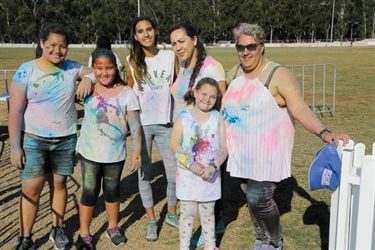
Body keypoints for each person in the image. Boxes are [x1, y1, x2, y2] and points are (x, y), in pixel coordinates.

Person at [221, 23, 351, 250]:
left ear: (261, 46)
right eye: (240, 48)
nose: (246, 52)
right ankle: (260, 238)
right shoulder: (233, 73)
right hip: (241, 152)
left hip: (267, 154)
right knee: (249, 196)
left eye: (251, 46)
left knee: (258, 199)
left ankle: (274, 240)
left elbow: (299, 109)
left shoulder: (278, 75)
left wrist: (324, 132)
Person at [9, 23, 95, 250]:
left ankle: (57, 230)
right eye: (52, 45)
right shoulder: (26, 70)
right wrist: (15, 147)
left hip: (65, 138)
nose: (57, 50)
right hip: (34, 140)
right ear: (41, 43)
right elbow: (15, 111)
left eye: (63, 46)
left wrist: (88, 79)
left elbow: (103, 69)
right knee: (30, 189)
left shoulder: (73, 68)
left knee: (59, 184)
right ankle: (25, 238)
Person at [75, 48, 142, 249]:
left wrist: (136, 152)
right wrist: (87, 79)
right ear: (93, 69)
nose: (104, 72)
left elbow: (136, 126)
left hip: (114, 155)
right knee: (89, 191)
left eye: (109, 68)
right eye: (99, 68)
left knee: (112, 191)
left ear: (116, 68)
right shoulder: (87, 89)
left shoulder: (127, 94)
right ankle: (84, 233)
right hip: (89, 153)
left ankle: (113, 227)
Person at [169, 21, 227, 248]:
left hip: (207, 152)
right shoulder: (183, 64)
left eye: (181, 41)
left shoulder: (211, 67)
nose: (177, 47)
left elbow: (219, 106)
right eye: (173, 43)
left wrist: (214, 162)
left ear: (194, 39)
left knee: (208, 207)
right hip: (185, 148)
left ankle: (210, 237)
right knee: (187, 209)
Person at [125, 16, 180, 242]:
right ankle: (151, 220)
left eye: (149, 29)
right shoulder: (131, 61)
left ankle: (172, 214)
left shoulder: (169, 56)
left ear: (156, 32)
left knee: (174, 174)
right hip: (142, 126)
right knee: (144, 175)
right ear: (135, 36)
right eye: (141, 31)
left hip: (167, 123)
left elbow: (178, 85)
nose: (146, 34)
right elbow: (129, 92)